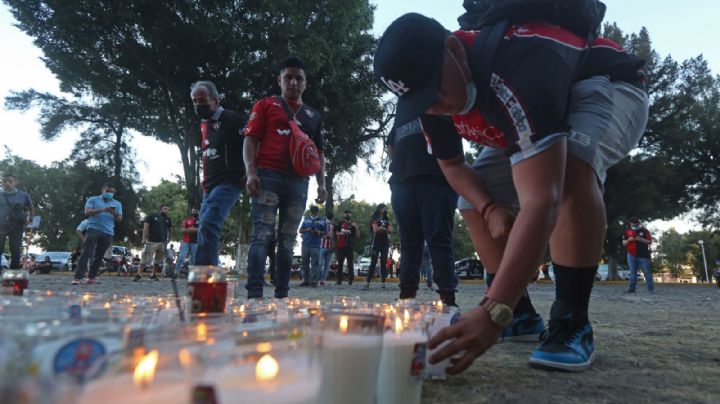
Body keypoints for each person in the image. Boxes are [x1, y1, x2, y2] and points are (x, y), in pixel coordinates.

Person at [374, 13, 648, 373]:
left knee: (570, 172)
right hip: (539, 107)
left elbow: (542, 199)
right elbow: (453, 167)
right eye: (423, 101)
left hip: (606, 82)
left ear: (455, 48)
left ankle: (571, 320)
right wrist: (489, 208)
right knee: (471, 197)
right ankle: (520, 314)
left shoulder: (515, 66)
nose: (435, 107)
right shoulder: (429, 98)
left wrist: (491, 310)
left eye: (437, 91)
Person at [243, 56, 326, 299]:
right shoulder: (265, 105)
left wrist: (321, 183)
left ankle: (282, 294)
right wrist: (250, 173)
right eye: (288, 77)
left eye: (298, 78)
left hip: (299, 182)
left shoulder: (313, 115)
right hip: (267, 176)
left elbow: (318, 152)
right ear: (279, 80)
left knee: (288, 239)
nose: (293, 82)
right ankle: (254, 294)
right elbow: (250, 139)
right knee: (262, 235)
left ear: (305, 83)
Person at [385, 119, 458, 304]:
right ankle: (407, 295)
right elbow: (391, 147)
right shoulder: (402, 113)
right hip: (403, 183)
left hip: (437, 180)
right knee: (409, 241)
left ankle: (448, 296)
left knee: (439, 238)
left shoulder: (440, 106)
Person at [190, 80, 246, 266]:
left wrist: (250, 171)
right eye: (195, 101)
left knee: (209, 222)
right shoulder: (203, 124)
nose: (199, 105)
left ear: (215, 100)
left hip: (229, 181)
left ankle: (205, 277)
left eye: (203, 100)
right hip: (209, 186)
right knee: (203, 228)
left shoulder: (232, 119)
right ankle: (205, 275)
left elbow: (252, 144)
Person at [74, 182, 123, 284]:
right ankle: (77, 278)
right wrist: (102, 209)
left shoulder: (117, 204)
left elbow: (119, 219)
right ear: (102, 190)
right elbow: (87, 212)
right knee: (85, 254)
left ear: (114, 193)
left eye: (111, 192)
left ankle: (92, 277)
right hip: (93, 230)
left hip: (108, 232)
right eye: (107, 191)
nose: (109, 193)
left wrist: (113, 213)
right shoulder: (93, 199)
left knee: (99, 256)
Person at [0, 172, 34, 271]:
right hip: (1, 225)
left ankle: (14, 270)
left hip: (17, 226)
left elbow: (31, 208)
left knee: (15, 248)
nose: (7, 183)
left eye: (10, 181)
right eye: (4, 181)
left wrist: (29, 219)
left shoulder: (23, 195)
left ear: (15, 182)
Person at [134, 204, 172, 282]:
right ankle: (139, 274)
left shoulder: (168, 219)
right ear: (160, 209)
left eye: (168, 210)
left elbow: (170, 230)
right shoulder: (152, 216)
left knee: (158, 260)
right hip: (151, 242)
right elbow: (145, 227)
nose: (167, 211)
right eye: (165, 209)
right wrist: (144, 239)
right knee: (145, 257)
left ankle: (153, 274)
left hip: (162, 243)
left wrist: (169, 240)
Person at [363, 204, 394, 290]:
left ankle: (383, 282)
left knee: (384, 261)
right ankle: (367, 282)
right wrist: (385, 229)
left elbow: (391, 230)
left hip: (385, 242)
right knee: (373, 262)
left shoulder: (386, 219)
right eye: (384, 208)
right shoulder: (374, 218)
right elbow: (375, 229)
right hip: (376, 242)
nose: (386, 209)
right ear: (380, 209)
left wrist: (382, 228)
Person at [623, 218, 654, 293]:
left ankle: (650, 289)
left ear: (638, 223)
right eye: (632, 224)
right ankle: (631, 289)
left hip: (643, 255)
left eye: (635, 224)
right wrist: (629, 240)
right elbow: (624, 243)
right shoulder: (627, 231)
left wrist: (640, 239)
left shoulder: (645, 231)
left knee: (647, 272)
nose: (634, 225)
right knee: (633, 273)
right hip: (631, 254)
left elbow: (650, 242)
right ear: (630, 224)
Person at [298, 205, 326, 288]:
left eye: (315, 212)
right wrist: (307, 230)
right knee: (305, 263)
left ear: (318, 212)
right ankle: (306, 280)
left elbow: (325, 232)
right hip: (305, 244)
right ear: (311, 212)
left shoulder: (322, 221)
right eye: (313, 211)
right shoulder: (306, 220)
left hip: (316, 245)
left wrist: (319, 232)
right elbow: (300, 230)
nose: (314, 213)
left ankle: (314, 281)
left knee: (315, 264)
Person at [334, 210, 359, 285]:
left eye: (349, 214)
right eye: (346, 214)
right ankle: (339, 280)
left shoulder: (353, 225)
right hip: (341, 246)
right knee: (340, 263)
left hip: (350, 246)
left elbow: (356, 236)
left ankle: (351, 279)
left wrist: (356, 228)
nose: (347, 215)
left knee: (350, 263)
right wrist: (342, 233)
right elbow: (336, 232)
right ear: (343, 215)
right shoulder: (340, 223)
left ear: (351, 215)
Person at [174, 207, 199, 278]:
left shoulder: (201, 220)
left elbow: (201, 230)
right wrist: (194, 229)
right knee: (181, 257)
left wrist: (189, 229)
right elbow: (182, 230)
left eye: (196, 211)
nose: (195, 212)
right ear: (191, 212)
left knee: (193, 260)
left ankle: (192, 275)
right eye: (193, 211)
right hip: (185, 242)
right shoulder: (186, 220)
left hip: (195, 243)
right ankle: (176, 273)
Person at [319, 211, 335, 286]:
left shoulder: (333, 225)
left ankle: (322, 280)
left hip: (329, 247)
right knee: (320, 264)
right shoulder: (322, 223)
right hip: (322, 246)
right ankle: (318, 278)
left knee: (326, 265)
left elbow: (335, 236)